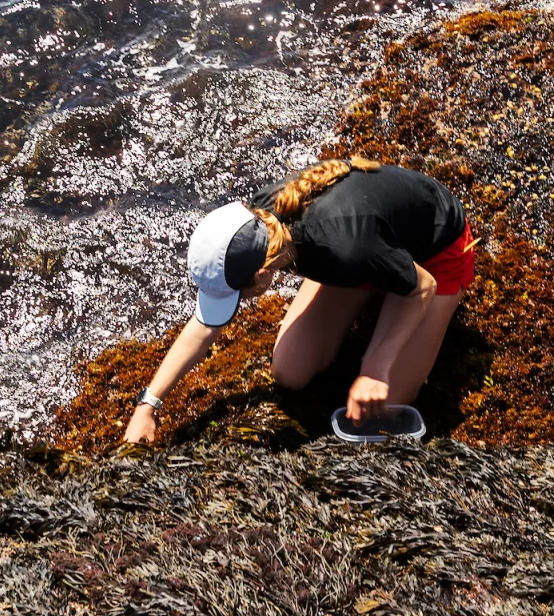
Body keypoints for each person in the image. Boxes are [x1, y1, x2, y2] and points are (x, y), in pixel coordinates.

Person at [122, 157, 475, 444]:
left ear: (261, 278)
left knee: (388, 403)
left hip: (433, 253)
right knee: (290, 370)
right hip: (368, 250)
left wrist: (375, 369)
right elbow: (204, 327)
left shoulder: (341, 246)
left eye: (234, 295)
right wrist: (147, 405)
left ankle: (384, 287)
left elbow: (423, 286)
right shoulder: (258, 222)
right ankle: (378, 276)